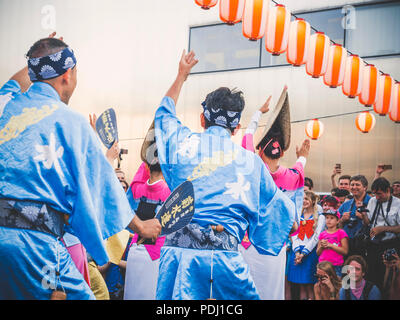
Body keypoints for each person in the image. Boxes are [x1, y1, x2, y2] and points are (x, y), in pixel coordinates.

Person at [0, 34, 161, 300]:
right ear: (68, 74)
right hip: (36, 247)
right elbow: (104, 187)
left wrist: (38, 61)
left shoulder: (5, 108)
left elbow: (11, 85)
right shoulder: (71, 122)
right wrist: (141, 227)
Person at [153, 50, 296, 300]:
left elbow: (164, 116)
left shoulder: (182, 143)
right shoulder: (251, 163)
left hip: (180, 259)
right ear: (236, 128)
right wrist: (290, 222)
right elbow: (284, 218)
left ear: (202, 119)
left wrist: (181, 76)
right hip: (226, 261)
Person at [239, 87, 307, 300]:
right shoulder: (293, 176)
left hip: (248, 242)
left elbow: (247, 138)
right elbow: (296, 221)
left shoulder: (253, 169)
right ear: (283, 152)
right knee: (271, 293)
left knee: (244, 292)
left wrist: (258, 114)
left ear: (260, 151)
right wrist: (303, 156)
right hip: (276, 246)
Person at [124, 160, 171, 300]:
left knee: (132, 292)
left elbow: (125, 213)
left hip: (134, 249)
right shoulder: (170, 191)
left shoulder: (135, 188)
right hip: (157, 251)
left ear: (147, 166)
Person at [360, 177, 400, 290]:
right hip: (373, 245)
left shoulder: (398, 204)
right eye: (375, 194)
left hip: (390, 244)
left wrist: (383, 229)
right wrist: (363, 214)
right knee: (372, 275)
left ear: (388, 190)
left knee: (389, 277)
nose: (377, 197)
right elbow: (368, 223)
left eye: (379, 194)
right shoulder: (373, 201)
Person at [287, 191, 326, 300]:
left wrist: (304, 252)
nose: (304, 201)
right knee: (301, 286)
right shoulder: (298, 216)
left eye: (307, 199)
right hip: (297, 252)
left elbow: (316, 237)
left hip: (310, 253)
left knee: (310, 285)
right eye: (302, 199)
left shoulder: (320, 217)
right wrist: (297, 252)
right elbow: (294, 235)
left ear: (313, 201)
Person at [338, 175, 371, 257]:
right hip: (347, 243)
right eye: (352, 185)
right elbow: (336, 224)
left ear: (365, 187)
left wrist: (363, 217)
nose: (354, 187)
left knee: (362, 268)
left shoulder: (372, 202)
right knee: (346, 269)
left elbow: (378, 224)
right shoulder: (346, 204)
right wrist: (342, 220)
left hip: (365, 244)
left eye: (357, 185)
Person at [317, 210, 349, 278]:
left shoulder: (341, 233)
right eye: (327, 218)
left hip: (336, 265)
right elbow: (318, 253)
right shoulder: (322, 234)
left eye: (332, 218)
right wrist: (322, 247)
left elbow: (345, 251)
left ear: (337, 221)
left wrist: (330, 245)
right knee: (323, 286)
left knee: (336, 286)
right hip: (323, 265)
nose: (328, 220)